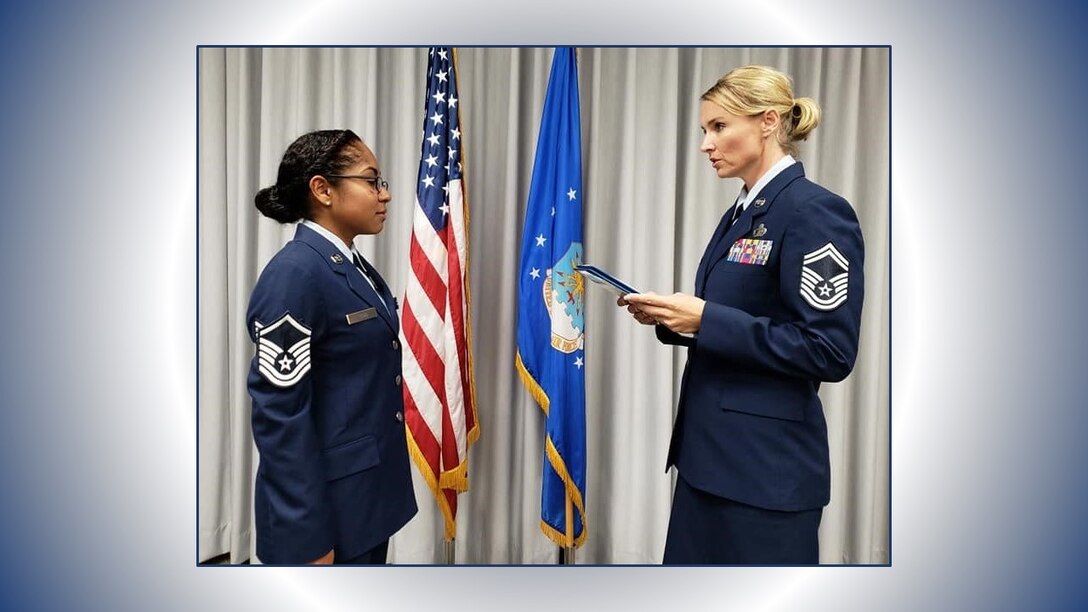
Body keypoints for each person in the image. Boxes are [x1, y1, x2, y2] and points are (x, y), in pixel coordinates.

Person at [621, 66, 865, 564]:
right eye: (704, 130)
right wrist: (673, 318)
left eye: (719, 127)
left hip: (764, 478)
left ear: (768, 122)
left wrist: (706, 320)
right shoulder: (743, 211)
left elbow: (829, 350)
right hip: (706, 463)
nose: (706, 144)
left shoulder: (813, 211)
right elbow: (741, 320)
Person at [246, 129, 417, 564]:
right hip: (321, 516)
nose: (386, 194)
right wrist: (307, 536)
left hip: (360, 502)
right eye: (372, 180)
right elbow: (279, 415)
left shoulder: (349, 264)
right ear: (322, 189)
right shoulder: (295, 275)